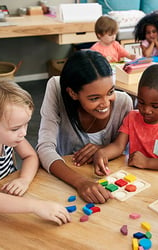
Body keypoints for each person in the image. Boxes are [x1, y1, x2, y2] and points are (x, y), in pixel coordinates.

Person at [0, 80, 71, 228]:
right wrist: (36, 206)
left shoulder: (6, 134)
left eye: (26, 124)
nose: (24, 132)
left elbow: (31, 156)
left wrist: (24, 180)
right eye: (16, 128)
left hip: (6, 193)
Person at [36, 50, 133, 203]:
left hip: (106, 185)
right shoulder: (56, 88)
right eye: (94, 98)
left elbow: (123, 151)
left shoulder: (124, 103)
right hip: (65, 179)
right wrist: (80, 182)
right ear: (73, 94)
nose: (106, 103)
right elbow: (44, 148)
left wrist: (103, 149)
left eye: (110, 91)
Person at [93, 64, 158, 176]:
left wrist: (147, 162)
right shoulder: (132, 117)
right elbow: (118, 146)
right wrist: (102, 153)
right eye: (141, 102)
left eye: (155, 106)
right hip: (135, 177)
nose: (146, 110)